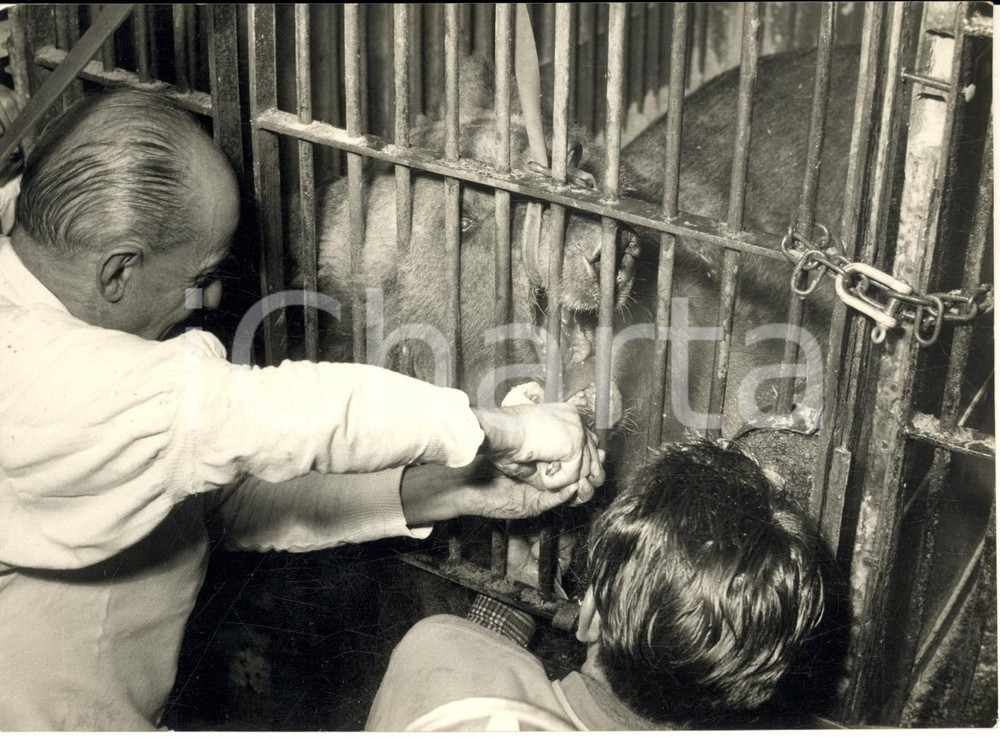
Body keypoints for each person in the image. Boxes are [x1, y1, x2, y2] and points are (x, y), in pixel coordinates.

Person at [0, 89, 604, 730]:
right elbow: (282, 413)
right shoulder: (33, 372)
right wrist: (501, 429)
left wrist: (463, 487)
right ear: (117, 272)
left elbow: (227, 501)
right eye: (200, 274)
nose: (207, 297)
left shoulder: (56, 318)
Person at [367, 438, 827, 731]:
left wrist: (520, 588)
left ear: (588, 618)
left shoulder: (432, 651)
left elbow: (473, 672)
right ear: (755, 684)